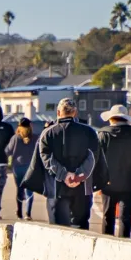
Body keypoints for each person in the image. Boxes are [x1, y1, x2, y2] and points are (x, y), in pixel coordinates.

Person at [33, 98, 100, 229]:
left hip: (57, 187)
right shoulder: (89, 132)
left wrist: (64, 175)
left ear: (58, 112)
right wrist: (79, 175)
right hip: (82, 188)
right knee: (80, 228)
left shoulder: (48, 133)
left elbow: (46, 157)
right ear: (75, 113)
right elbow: (93, 156)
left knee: (59, 229)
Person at [95, 104, 131, 238]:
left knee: (107, 216)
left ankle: (107, 242)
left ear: (111, 119)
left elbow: (96, 159)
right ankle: (124, 243)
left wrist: (97, 181)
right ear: (126, 119)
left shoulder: (103, 134)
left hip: (108, 183)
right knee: (125, 218)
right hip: (129, 182)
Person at [9, 118, 39, 220]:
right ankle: (28, 213)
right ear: (30, 126)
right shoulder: (35, 138)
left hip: (17, 167)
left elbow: (8, 151)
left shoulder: (15, 138)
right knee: (29, 191)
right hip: (30, 167)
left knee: (19, 189)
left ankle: (19, 212)